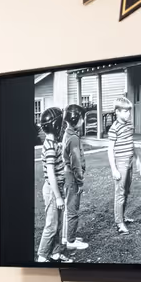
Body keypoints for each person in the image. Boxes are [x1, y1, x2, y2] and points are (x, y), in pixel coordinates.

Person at [35, 106, 69, 262]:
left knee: (58, 224)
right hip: (52, 190)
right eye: (61, 124)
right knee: (51, 225)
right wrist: (58, 197)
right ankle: (42, 256)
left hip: (57, 189)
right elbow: (50, 174)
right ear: (56, 126)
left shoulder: (52, 143)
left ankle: (55, 253)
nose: (63, 127)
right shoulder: (49, 146)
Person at [103, 95, 136, 233]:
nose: (128, 114)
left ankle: (123, 215)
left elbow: (130, 143)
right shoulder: (114, 128)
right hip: (120, 163)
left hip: (129, 161)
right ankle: (119, 223)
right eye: (124, 111)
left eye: (129, 111)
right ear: (117, 112)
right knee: (120, 193)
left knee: (126, 191)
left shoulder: (129, 125)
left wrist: (136, 159)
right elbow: (110, 150)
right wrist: (114, 169)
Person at [61, 104, 89, 252]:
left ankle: (67, 236)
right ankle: (70, 241)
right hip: (72, 177)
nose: (83, 121)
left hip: (67, 175)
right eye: (82, 118)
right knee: (73, 209)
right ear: (75, 119)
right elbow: (76, 163)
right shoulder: (73, 138)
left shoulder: (68, 134)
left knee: (68, 208)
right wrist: (80, 181)